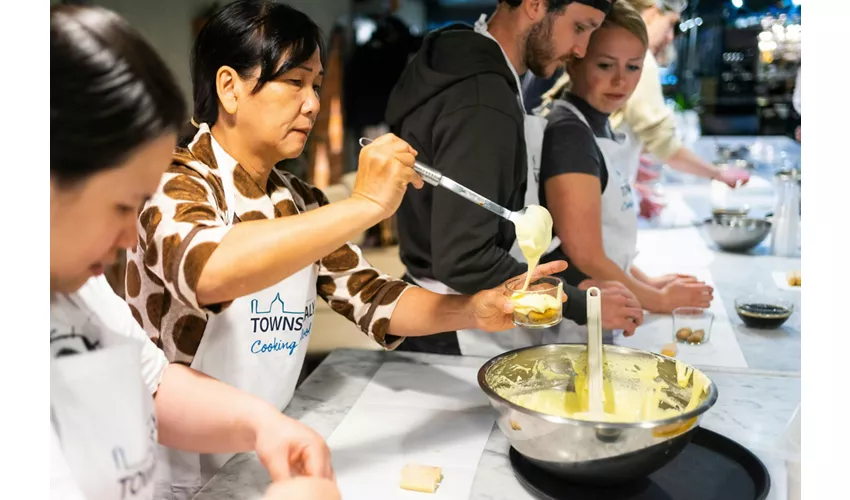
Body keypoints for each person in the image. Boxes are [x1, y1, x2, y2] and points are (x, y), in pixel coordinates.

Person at [125, 2, 566, 497]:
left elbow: (372, 297)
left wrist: (475, 310)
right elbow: (208, 269)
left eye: (315, 84)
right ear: (230, 87)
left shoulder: (297, 198)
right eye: (294, 82)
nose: (312, 103)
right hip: (170, 470)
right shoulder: (173, 182)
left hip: (262, 453)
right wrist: (365, 204)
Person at [50, 5, 339, 500]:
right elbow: (209, 269)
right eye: (121, 206)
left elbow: (156, 384)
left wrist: (262, 426)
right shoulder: (186, 183)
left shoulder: (83, 290)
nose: (127, 240)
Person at [385, 0, 645, 357]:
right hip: (457, 329)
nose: (580, 50)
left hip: (442, 316)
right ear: (536, 5)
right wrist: (578, 303)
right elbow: (466, 257)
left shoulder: (472, 66)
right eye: (580, 28)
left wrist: (571, 285)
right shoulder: (482, 100)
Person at [536, 0, 713, 325]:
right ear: (575, 60)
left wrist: (645, 281)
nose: (621, 80)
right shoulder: (569, 133)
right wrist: (657, 299)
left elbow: (605, 241)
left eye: (633, 67)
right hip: (575, 317)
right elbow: (585, 254)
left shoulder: (599, 123)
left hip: (608, 298)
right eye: (605, 65)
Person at [536, 0, 750, 192]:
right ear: (652, 13)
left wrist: (628, 188)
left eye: (632, 67)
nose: (669, 38)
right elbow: (664, 146)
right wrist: (719, 174)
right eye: (670, 25)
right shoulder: (644, 62)